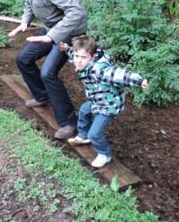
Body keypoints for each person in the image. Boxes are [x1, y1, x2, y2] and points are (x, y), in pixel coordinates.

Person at [9, 0, 88, 139]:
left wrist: (52, 37)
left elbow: (77, 12)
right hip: (50, 29)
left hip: (70, 33)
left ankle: (70, 122)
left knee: (48, 73)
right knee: (23, 59)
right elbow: (29, 2)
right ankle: (42, 96)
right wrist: (25, 21)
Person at [60, 35, 148, 168]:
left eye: (83, 58)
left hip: (108, 105)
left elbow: (121, 75)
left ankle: (105, 154)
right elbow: (74, 52)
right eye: (77, 57)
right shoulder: (81, 58)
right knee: (84, 110)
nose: (78, 61)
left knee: (95, 133)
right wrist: (67, 48)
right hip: (97, 99)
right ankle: (83, 136)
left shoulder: (101, 71)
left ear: (92, 56)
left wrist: (140, 81)